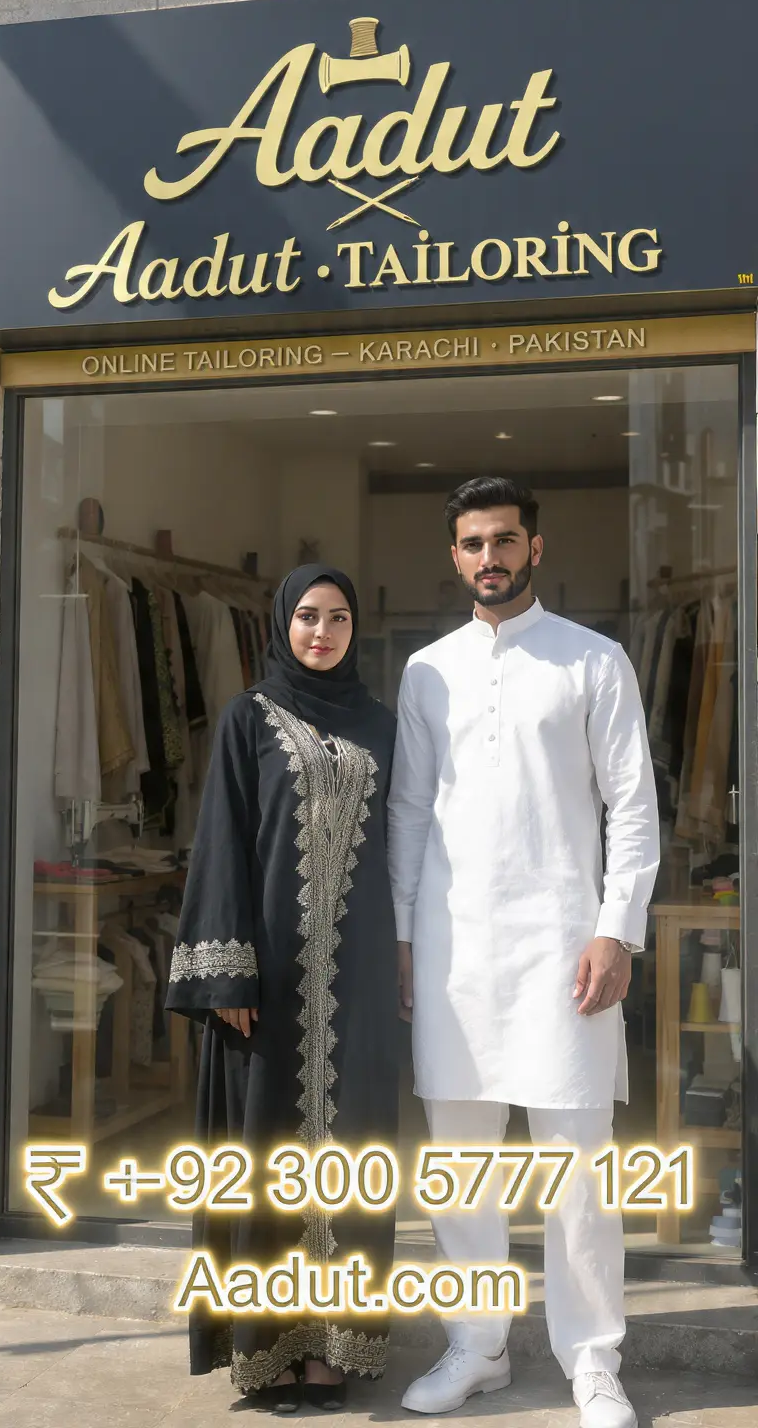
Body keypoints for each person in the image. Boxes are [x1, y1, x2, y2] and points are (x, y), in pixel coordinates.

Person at [388, 478, 659, 1428]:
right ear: (455, 557)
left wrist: (616, 929)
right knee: (460, 1166)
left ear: (534, 548)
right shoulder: (426, 671)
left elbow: (633, 806)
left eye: (505, 540)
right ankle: (480, 1346)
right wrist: (404, 937)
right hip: (455, 951)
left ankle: (593, 1360)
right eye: (473, 544)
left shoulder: (594, 660)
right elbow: (408, 812)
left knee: (577, 1168)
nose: (490, 557)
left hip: (565, 950)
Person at [166, 565, 399, 1413]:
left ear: (355, 629)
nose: (322, 633)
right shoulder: (247, 717)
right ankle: (267, 1351)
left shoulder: (382, 724)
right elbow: (222, 840)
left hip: (360, 978)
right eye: (307, 616)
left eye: (338, 618)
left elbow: (407, 843)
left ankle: (334, 1351)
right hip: (267, 978)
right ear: (283, 623)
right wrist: (227, 969)